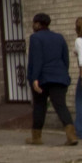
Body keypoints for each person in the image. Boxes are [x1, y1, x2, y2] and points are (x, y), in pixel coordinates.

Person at [27, 12, 77, 145]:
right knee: (61, 106)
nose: (33, 25)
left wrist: (34, 78)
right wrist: (63, 74)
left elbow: (36, 59)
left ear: (38, 24)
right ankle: (71, 136)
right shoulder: (59, 37)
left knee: (39, 106)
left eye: (34, 23)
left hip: (42, 78)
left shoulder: (35, 38)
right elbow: (65, 58)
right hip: (59, 77)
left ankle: (36, 137)